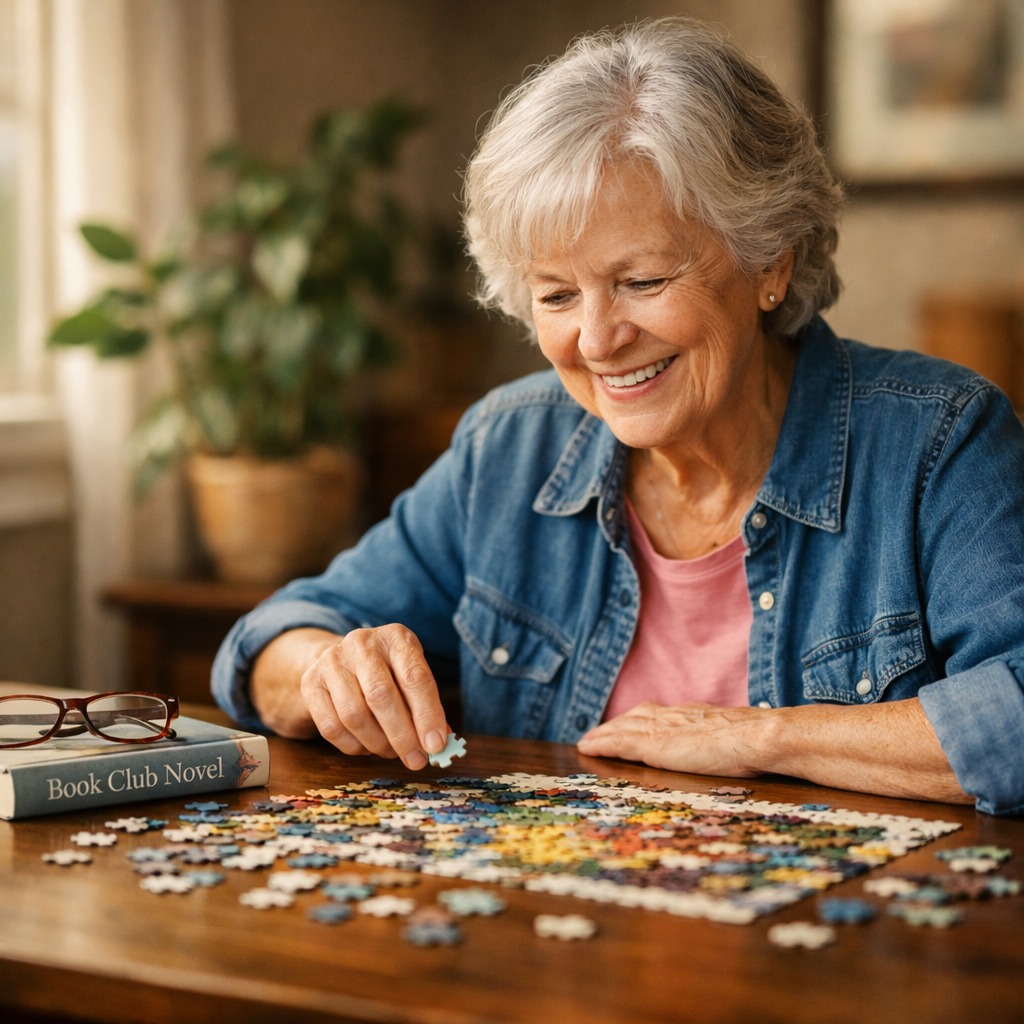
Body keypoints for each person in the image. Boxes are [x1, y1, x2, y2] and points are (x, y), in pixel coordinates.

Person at [212, 19, 1024, 816]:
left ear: (770, 258)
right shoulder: (510, 447)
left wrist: (761, 740)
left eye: (641, 281)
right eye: (556, 294)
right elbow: (270, 639)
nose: (596, 340)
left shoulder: (940, 441)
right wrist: (325, 670)